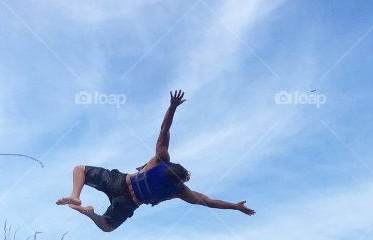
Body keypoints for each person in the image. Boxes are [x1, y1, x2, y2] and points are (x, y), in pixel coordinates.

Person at [56, 90, 256, 232]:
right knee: (107, 227)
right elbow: (208, 202)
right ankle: (90, 214)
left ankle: (75, 195)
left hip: (118, 182)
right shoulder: (179, 191)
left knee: (79, 170)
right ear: (182, 180)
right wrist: (235, 206)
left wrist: (172, 107)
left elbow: (164, 131)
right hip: (128, 203)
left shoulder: (160, 160)